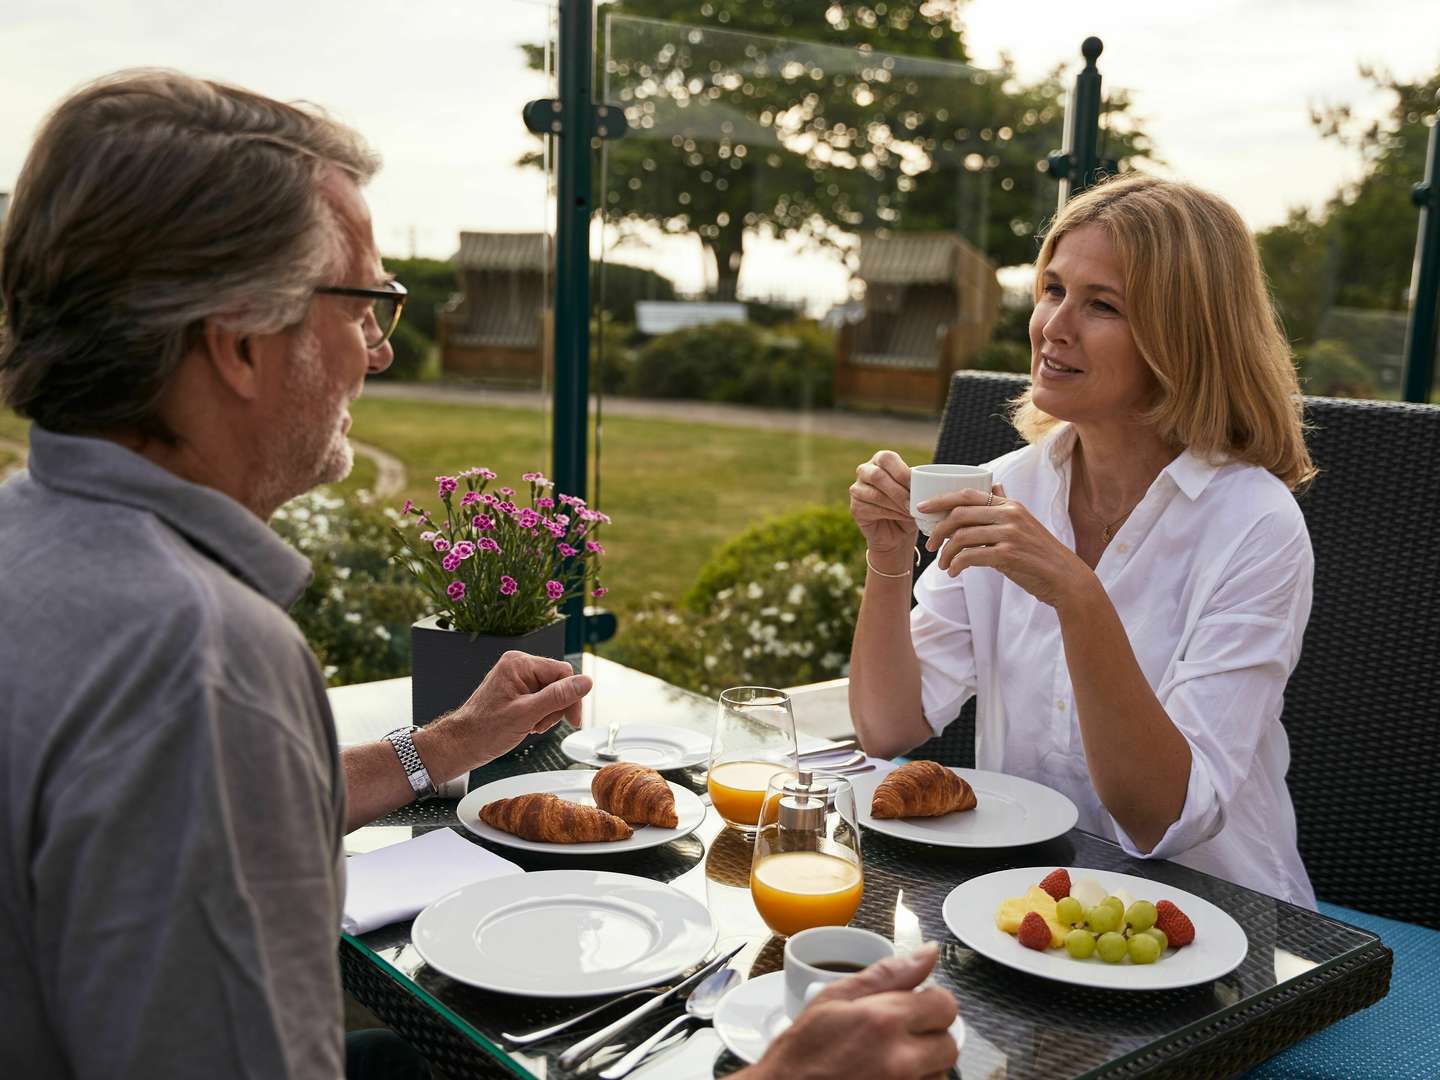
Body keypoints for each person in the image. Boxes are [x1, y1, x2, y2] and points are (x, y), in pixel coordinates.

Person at [0, 70, 957, 1079]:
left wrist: (444, 745)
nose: (376, 352)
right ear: (238, 340)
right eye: (366, 303)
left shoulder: (37, 546)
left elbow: (198, 812)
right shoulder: (199, 659)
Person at [848, 173, 1318, 908]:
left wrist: (1076, 594)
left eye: (1102, 305)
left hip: (1213, 917)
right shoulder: (1006, 485)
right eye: (1052, 289)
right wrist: (886, 561)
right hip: (1027, 904)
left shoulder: (1255, 525)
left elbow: (1164, 816)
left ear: (1182, 336)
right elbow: (887, 725)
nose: (1053, 326)